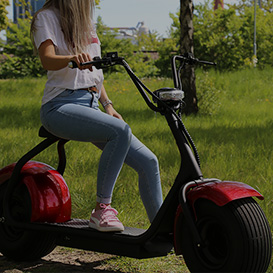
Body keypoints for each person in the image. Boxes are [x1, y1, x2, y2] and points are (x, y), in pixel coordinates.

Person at [30, 0, 163, 232]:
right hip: (58, 106)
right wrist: (71, 58)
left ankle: (163, 230)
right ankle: (102, 210)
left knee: (149, 162)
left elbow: (95, 72)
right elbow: (47, 59)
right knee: (119, 131)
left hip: (91, 105)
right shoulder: (46, 17)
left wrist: (108, 105)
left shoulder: (87, 25)